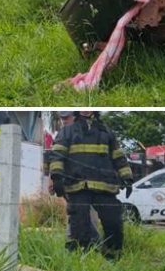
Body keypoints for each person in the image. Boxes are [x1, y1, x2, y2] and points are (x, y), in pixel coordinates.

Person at [49, 111, 133, 259]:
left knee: (113, 222)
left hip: (104, 186)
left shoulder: (106, 131)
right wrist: (56, 177)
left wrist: (127, 177)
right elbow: (57, 156)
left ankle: (112, 259)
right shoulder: (67, 131)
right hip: (78, 186)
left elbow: (118, 156)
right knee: (80, 226)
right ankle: (83, 259)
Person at [45, 111, 101, 243]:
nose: (64, 120)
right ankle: (76, 243)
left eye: (67, 117)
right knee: (75, 214)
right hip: (70, 184)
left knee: (87, 216)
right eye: (62, 118)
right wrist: (52, 180)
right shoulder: (62, 135)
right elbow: (55, 159)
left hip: (88, 184)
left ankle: (90, 243)